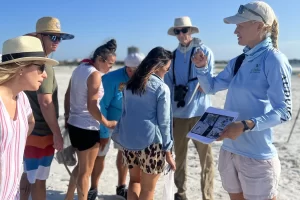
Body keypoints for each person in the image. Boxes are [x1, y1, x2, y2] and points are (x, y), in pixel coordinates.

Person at [193, 1, 291, 200]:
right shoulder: (239, 60)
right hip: (229, 150)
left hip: (257, 156)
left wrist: (246, 125)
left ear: (259, 25)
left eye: (240, 25)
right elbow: (211, 87)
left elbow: (284, 111)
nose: (235, 31)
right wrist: (202, 68)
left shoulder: (274, 60)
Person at [20, 16, 74, 200]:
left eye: (59, 38)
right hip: (41, 133)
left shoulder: (25, 61)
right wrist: (57, 135)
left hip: (26, 131)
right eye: (52, 37)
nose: (57, 42)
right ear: (39, 37)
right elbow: (46, 102)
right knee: (39, 180)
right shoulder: (44, 65)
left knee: (28, 175)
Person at [112, 47, 176, 200]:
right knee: (148, 189)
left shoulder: (130, 84)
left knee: (134, 181)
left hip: (129, 141)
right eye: (166, 69)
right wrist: (168, 151)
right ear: (159, 66)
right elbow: (164, 122)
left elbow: (125, 113)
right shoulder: (161, 87)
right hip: (151, 143)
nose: (166, 72)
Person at [0, 36, 58, 199]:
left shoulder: (22, 98)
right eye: (40, 68)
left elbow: (30, 121)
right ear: (21, 68)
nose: (45, 75)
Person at [164, 16, 215, 200]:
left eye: (184, 30)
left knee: (207, 159)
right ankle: (181, 193)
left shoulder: (205, 51)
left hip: (203, 112)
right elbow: (168, 84)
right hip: (178, 114)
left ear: (191, 31)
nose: (181, 34)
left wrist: (204, 83)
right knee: (179, 157)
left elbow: (210, 80)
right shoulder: (172, 56)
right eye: (177, 31)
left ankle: (207, 196)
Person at [64, 39, 118, 200]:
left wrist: (68, 116)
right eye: (110, 63)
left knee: (81, 167)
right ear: (100, 59)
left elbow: (67, 95)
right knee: (85, 173)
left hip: (74, 124)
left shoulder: (79, 68)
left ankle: (68, 197)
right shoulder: (94, 75)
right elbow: (92, 106)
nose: (111, 67)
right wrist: (107, 123)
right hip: (87, 127)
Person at [87, 51, 145, 200]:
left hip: (127, 124)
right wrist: (104, 133)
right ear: (127, 67)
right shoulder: (111, 79)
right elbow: (102, 105)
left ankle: (121, 186)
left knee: (125, 156)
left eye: (137, 70)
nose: (133, 73)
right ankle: (93, 188)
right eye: (130, 70)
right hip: (107, 123)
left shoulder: (143, 77)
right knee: (100, 155)